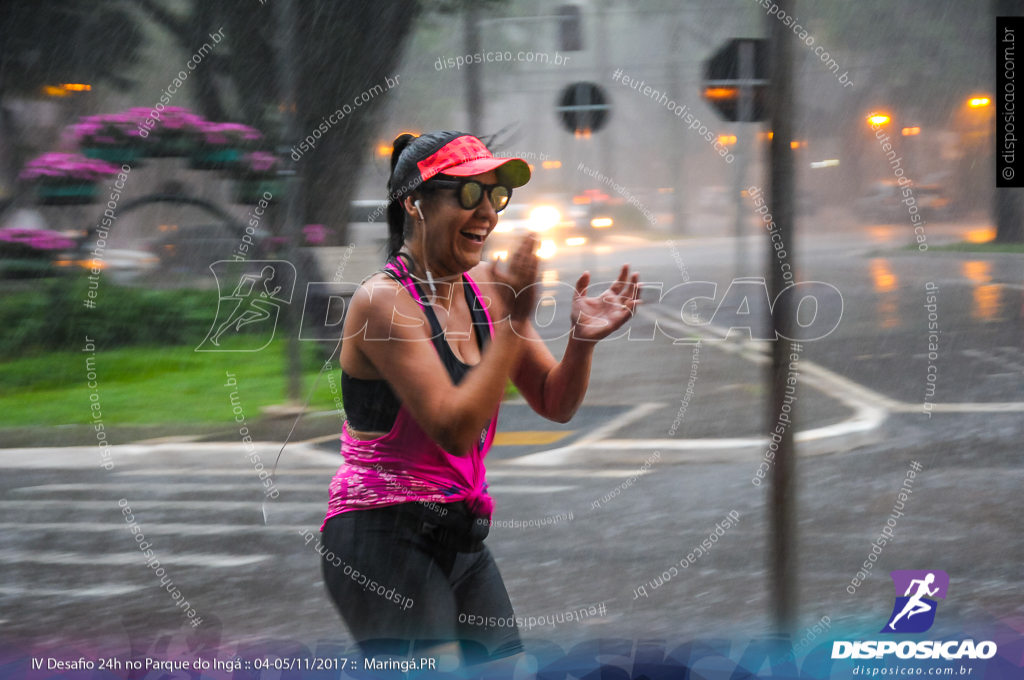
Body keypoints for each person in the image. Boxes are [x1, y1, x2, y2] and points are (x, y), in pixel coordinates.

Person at [319, 131, 642, 664]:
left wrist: (581, 343)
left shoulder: (487, 288)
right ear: (415, 205)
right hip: (379, 536)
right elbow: (453, 426)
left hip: (458, 534)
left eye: (497, 196)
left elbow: (553, 401)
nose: (488, 212)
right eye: (469, 194)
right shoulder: (383, 302)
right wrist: (515, 322)